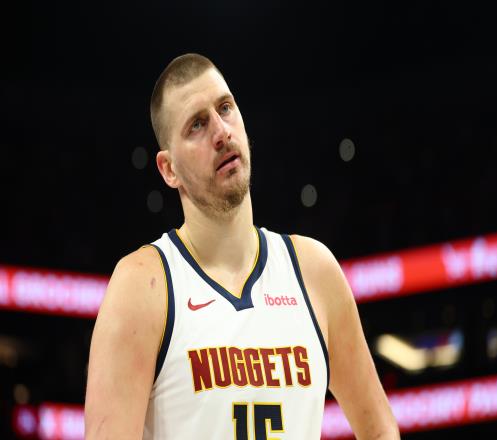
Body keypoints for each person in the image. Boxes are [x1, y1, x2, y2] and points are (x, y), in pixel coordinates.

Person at [84, 53, 400, 439]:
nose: (221, 132)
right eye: (197, 124)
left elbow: (381, 430)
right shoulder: (142, 286)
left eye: (225, 108)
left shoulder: (314, 271)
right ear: (169, 169)